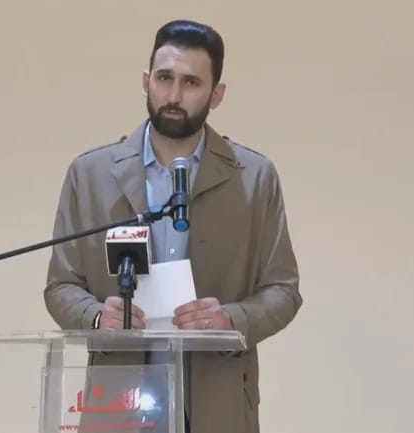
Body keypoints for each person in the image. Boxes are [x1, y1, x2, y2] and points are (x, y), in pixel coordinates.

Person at [43, 19, 302, 433]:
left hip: (218, 401)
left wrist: (231, 318)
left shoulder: (254, 177)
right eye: (164, 78)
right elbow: (61, 286)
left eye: (191, 83)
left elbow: (283, 291)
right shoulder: (91, 174)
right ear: (146, 81)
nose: (174, 96)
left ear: (217, 94)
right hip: (119, 402)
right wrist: (96, 317)